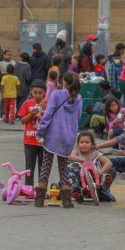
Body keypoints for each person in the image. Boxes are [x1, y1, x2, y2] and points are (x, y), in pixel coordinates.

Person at [35, 72, 83, 208]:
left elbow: (48, 114)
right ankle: (67, 201)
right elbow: (78, 118)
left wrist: (40, 132)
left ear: (64, 83)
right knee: (63, 167)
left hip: (53, 135)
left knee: (46, 164)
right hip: (68, 136)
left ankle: (39, 199)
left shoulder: (56, 94)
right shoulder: (79, 99)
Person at [68, 131, 115, 203]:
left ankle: (103, 188)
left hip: (96, 181)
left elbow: (109, 162)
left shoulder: (95, 153)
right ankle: (77, 192)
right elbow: (70, 156)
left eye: (87, 142)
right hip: (80, 182)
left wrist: (100, 172)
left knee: (112, 171)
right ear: (78, 145)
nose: (84, 144)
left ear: (92, 145)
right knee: (70, 171)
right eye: (82, 142)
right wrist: (81, 160)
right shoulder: (77, 152)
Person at [18, 80, 47, 187]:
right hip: (29, 141)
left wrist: (45, 110)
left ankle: (41, 189)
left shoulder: (48, 104)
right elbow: (22, 121)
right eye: (35, 92)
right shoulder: (27, 103)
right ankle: (28, 189)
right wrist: (32, 113)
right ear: (31, 91)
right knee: (29, 167)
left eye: (40, 93)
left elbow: (51, 121)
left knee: (43, 167)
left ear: (44, 92)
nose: (38, 95)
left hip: (43, 141)